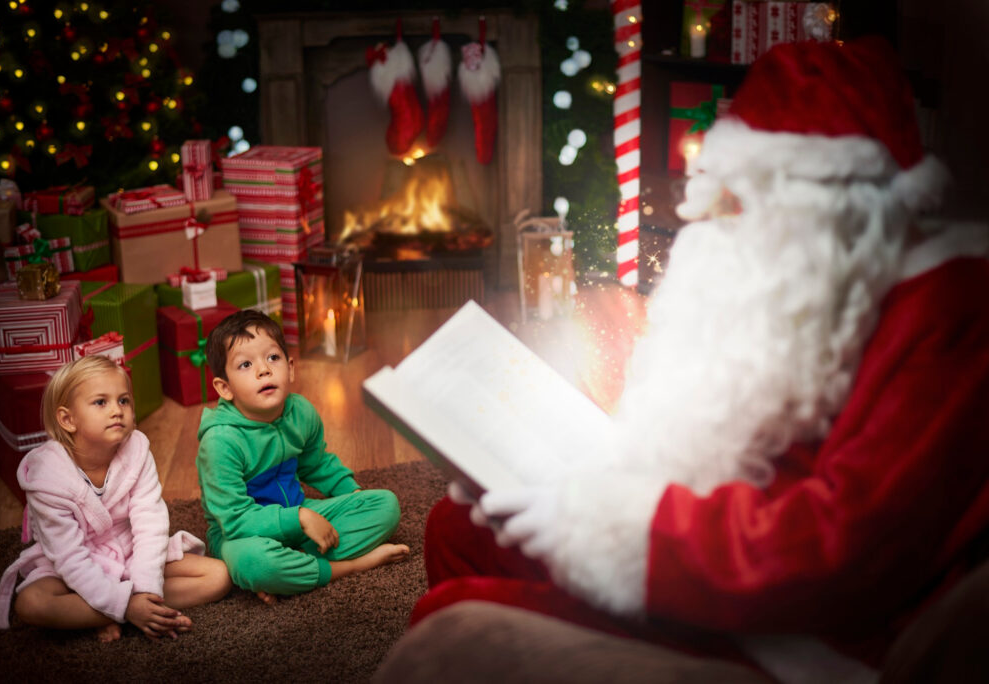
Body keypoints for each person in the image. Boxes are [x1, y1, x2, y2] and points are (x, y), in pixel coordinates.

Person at [407, 37, 989, 681]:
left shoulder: (941, 307)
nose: (715, 224)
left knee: (450, 616)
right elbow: (704, 434)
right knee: (459, 525)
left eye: (742, 202)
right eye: (721, 198)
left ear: (828, 202)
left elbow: (838, 548)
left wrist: (613, 528)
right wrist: (526, 466)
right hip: (700, 533)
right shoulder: (801, 281)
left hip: (792, 632)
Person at [0, 355, 232, 641]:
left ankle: (114, 611)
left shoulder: (137, 451)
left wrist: (146, 590)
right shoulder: (47, 480)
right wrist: (125, 605)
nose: (117, 410)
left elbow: (150, 523)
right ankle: (127, 610)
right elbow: (69, 557)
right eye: (101, 402)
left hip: (129, 551)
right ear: (67, 419)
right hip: (74, 564)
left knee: (219, 577)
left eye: (124, 400)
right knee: (31, 603)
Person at [197, 310, 408, 603]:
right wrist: (299, 519)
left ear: (291, 368)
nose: (264, 370)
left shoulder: (300, 412)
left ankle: (293, 569)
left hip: (300, 515)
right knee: (255, 563)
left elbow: (318, 464)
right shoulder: (221, 441)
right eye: (246, 364)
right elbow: (234, 520)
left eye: (272, 358)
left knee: (386, 505)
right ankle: (349, 566)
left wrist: (354, 497)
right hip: (243, 534)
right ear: (225, 388)